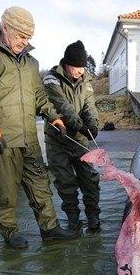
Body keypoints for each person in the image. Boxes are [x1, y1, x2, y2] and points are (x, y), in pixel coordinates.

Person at [0, 6, 77, 249]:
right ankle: (10, 233)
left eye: (28, 38)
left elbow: (39, 96)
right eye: (21, 37)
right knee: (5, 193)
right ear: (5, 28)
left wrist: (54, 117)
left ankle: (50, 229)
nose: (24, 43)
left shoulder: (30, 62)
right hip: (1, 139)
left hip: (29, 138)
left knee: (40, 186)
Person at [42, 40, 101, 232]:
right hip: (58, 138)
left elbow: (89, 106)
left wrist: (92, 124)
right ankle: (74, 220)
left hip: (80, 139)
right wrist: (80, 125)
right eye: (76, 67)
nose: (80, 71)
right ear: (66, 64)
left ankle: (93, 217)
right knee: (65, 182)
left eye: (83, 67)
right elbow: (62, 106)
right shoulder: (51, 80)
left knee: (90, 179)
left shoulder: (86, 82)